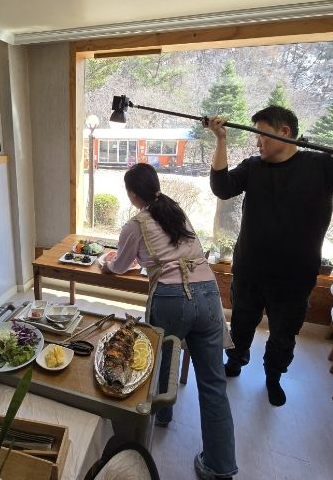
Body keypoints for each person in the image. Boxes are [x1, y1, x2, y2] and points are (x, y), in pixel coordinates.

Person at [205, 105, 333, 407]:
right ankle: (235, 360)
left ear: (284, 131)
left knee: (283, 335)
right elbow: (222, 187)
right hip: (249, 271)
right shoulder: (253, 166)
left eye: (262, 135)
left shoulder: (322, 166)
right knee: (242, 323)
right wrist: (220, 139)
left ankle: (273, 377)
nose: (257, 143)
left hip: (294, 279)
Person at [102, 163, 237, 480]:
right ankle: (220, 466)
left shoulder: (136, 224)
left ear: (132, 194)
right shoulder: (175, 210)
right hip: (209, 294)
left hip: (171, 298)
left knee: (160, 360)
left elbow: (120, 265)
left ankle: (160, 418)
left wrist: (106, 265)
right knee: (214, 383)